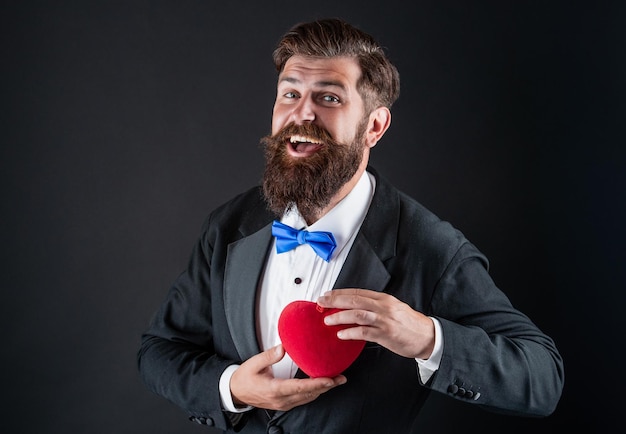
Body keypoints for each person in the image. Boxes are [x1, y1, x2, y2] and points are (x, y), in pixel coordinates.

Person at [137, 18, 564, 433]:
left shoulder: (430, 247)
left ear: (374, 126)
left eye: (330, 98)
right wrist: (232, 387)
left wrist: (426, 338)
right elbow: (159, 351)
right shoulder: (229, 224)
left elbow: (542, 379)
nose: (301, 113)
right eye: (290, 93)